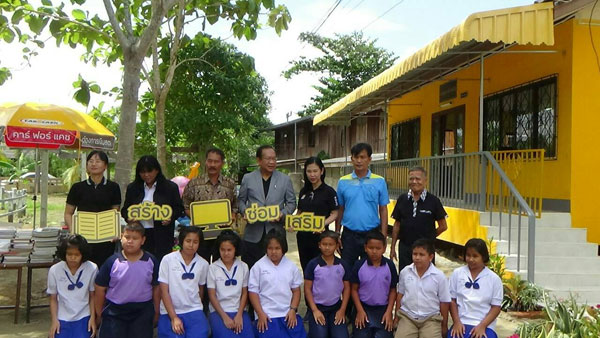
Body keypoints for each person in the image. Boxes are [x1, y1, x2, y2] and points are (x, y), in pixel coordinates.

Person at [94, 223, 160, 338]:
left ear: (143, 240)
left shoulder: (151, 261)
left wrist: (157, 311)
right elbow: (99, 288)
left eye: (135, 238)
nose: (130, 241)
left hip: (142, 311)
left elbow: (156, 287)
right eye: (127, 237)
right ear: (121, 237)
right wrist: (99, 313)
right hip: (115, 312)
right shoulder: (112, 261)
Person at [238, 145, 296, 269]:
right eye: (268, 159)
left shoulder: (285, 179)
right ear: (259, 160)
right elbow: (241, 201)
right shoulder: (248, 178)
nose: (272, 162)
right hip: (253, 233)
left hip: (276, 232)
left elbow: (291, 202)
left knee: (276, 270)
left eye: (274, 159)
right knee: (251, 270)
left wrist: (283, 214)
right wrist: (245, 212)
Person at [336, 143, 389, 268]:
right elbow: (340, 209)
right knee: (347, 271)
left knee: (370, 270)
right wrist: (337, 233)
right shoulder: (343, 181)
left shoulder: (379, 181)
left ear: (369, 159)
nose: (359, 161)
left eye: (363, 157)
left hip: (371, 234)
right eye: (356, 157)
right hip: (349, 236)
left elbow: (383, 210)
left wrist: (383, 235)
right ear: (351, 159)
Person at [122, 155, 184, 262]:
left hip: (162, 234)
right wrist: (129, 218)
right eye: (142, 172)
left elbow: (179, 208)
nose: (146, 175)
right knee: (140, 262)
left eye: (149, 171)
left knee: (161, 263)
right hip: (139, 234)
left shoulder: (170, 187)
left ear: (157, 170)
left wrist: (170, 217)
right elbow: (125, 209)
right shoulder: (133, 188)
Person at [65, 150, 121, 266]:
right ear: (86, 166)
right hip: (83, 238)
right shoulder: (77, 187)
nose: (93, 164)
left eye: (98, 161)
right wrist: (73, 231)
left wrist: (114, 231)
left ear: (105, 166)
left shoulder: (113, 187)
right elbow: (68, 213)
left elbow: (115, 212)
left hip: (106, 238)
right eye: (90, 161)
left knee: (104, 271)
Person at [182, 147, 237, 263]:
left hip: (222, 235)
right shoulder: (194, 183)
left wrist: (232, 216)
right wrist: (198, 219)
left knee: (221, 267)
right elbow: (185, 205)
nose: (212, 164)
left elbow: (235, 206)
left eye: (216, 161)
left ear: (222, 163)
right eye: (210, 161)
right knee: (201, 266)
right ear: (206, 162)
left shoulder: (230, 184)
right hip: (200, 235)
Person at [248, 229, 306, 338]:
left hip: (287, 313)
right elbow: (253, 292)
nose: (273, 252)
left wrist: (293, 310)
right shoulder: (258, 266)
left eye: (277, 248)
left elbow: (296, 291)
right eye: (270, 248)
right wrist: (260, 314)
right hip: (267, 314)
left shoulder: (291, 266)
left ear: (283, 249)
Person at [390, 166, 448, 272]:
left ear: (425, 181)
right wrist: (392, 247)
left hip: (425, 251)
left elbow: (443, 226)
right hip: (405, 249)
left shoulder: (433, 201)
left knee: (427, 279)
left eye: (418, 179)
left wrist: (429, 238)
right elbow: (397, 225)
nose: (414, 181)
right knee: (405, 278)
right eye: (411, 179)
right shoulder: (402, 199)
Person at [157, 226, 210, 338]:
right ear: (181, 241)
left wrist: (195, 306)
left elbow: (201, 290)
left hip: (193, 309)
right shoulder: (168, 260)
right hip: (169, 310)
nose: (191, 245)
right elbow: (164, 291)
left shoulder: (203, 264)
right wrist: (174, 317)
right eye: (188, 241)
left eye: (195, 242)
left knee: (202, 333)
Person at [394, 239, 450, 338]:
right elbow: (400, 295)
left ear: (430, 257)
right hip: (408, 317)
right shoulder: (405, 272)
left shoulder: (439, 276)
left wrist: (444, 325)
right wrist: (396, 319)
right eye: (415, 254)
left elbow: (444, 302)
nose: (417, 258)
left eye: (421, 254)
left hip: (431, 319)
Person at [448, 238, 502, 338]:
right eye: (468, 255)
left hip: (485, 325)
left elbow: (496, 307)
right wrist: (456, 322)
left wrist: (482, 326)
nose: (471, 259)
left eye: (475, 256)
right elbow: (452, 300)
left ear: (483, 257)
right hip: (461, 322)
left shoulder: (494, 279)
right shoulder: (457, 273)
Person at [47, 234, 98, 338]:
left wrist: (93, 318)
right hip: (62, 317)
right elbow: (53, 298)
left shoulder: (92, 268)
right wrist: (54, 321)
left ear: (83, 255)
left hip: (84, 316)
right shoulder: (55, 270)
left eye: (77, 255)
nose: (73, 258)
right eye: (69, 254)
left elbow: (92, 296)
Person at [350, 230, 397, 338]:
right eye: (371, 248)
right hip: (363, 308)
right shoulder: (359, 265)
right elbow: (354, 290)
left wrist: (389, 312)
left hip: (383, 310)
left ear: (384, 248)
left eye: (378, 248)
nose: (374, 251)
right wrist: (360, 311)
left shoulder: (390, 266)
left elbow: (393, 290)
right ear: (365, 248)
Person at [207, 230, 254, 338]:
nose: (226, 253)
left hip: (238, 310)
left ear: (235, 250)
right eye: (222, 250)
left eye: (229, 250)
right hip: (219, 311)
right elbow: (212, 295)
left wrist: (239, 315)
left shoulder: (243, 266)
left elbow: (244, 293)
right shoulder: (213, 268)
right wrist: (224, 317)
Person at [304, 230, 350, 338]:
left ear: (337, 245)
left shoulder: (342, 264)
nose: (327, 247)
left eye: (331, 244)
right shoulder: (313, 264)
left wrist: (342, 310)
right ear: (319, 245)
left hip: (336, 308)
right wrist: (314, 310)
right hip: (318, 307)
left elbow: (347, 288)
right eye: (324, 244)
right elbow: (307, 289)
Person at [296, 157, 339, 272]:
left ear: (322, 171)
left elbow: (335, 213)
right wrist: (293, 222)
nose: (312, 175)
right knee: (306, 269)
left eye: (315, 171)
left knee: (320, 270)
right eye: (309, 171)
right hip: (303, 237)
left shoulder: (329, 192)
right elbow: (299, 212)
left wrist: (322, 224)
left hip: (321, 238)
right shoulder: (303, 191)